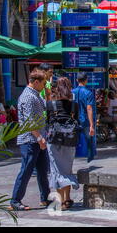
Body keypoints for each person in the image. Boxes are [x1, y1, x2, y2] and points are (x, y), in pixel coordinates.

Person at [10, 69, 50, 211]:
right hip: (30, 140)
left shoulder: (36, 95)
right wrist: (39, 138)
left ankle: (45, 198)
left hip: (38, 139)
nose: (44, 86)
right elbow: (29, 121)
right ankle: (15, 200)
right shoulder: (28, 96)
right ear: (36, 82)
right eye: (43, 83)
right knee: (26, 170)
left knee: (43, 170)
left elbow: (46, 107)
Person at [45, 77, 80, 211]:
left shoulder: (50, 105)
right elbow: (76, 121)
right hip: (70, 141)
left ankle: (60, 201)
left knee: (57, 171)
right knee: (67, 169)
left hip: (53, 142)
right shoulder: (74, 105)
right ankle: (67, 198)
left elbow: (47, 122)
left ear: (57, 88)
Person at [72, 73, 96, 162]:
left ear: (77, 80)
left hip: (74, 120)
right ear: (86, 80)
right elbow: (89, 108)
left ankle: (72, 157)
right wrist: (91, 125)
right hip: (85, 120)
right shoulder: (88, 93)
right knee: (89, 139)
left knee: (73, 140)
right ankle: (90, 158)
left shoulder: (72, 92)